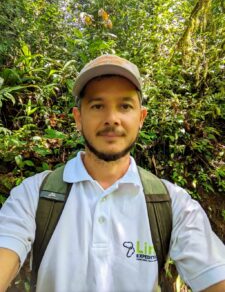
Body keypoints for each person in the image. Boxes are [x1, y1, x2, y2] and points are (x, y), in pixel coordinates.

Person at [0, 54, 225, 292]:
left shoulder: (173, 204)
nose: (111, 119)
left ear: (141, 118)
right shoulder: (34, 194)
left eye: (125, 106)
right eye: (98, 106)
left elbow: (215, 276)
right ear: (78, 118)